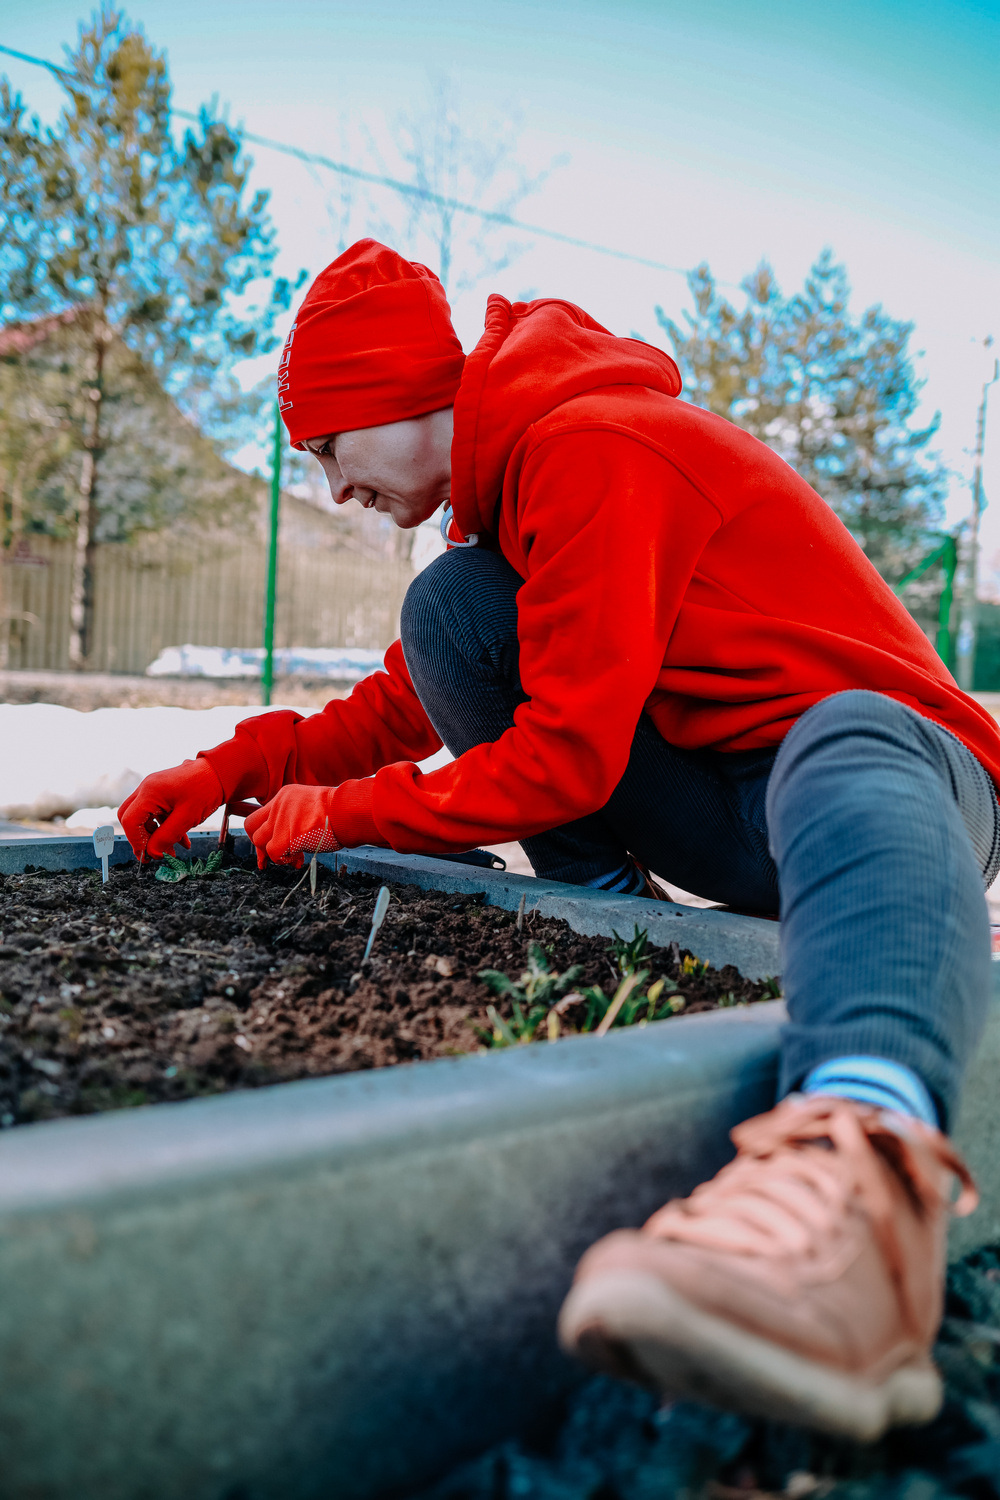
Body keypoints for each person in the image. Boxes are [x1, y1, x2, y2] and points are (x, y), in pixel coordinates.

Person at [120, 239, 998, 1442]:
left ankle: (860, 1183)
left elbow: (567, 760)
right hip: (735, 811)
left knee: (841, 728)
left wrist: (348, 814)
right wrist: (234, 768)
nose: (330, 489)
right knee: (455, 612)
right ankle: (614, 924)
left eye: (325, 448)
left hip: (903, 787)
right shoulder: (509, 512)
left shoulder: (596, 446)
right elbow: (402, 703)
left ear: (392, 398)